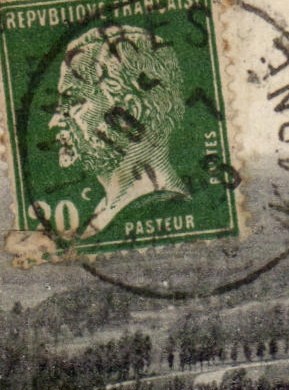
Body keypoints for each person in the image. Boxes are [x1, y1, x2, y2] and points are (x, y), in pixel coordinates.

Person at [48, 22, 187, 238]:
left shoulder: (151, 210)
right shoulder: (107, 210)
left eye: (74, 101)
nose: (54, 121)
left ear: (129, 113)